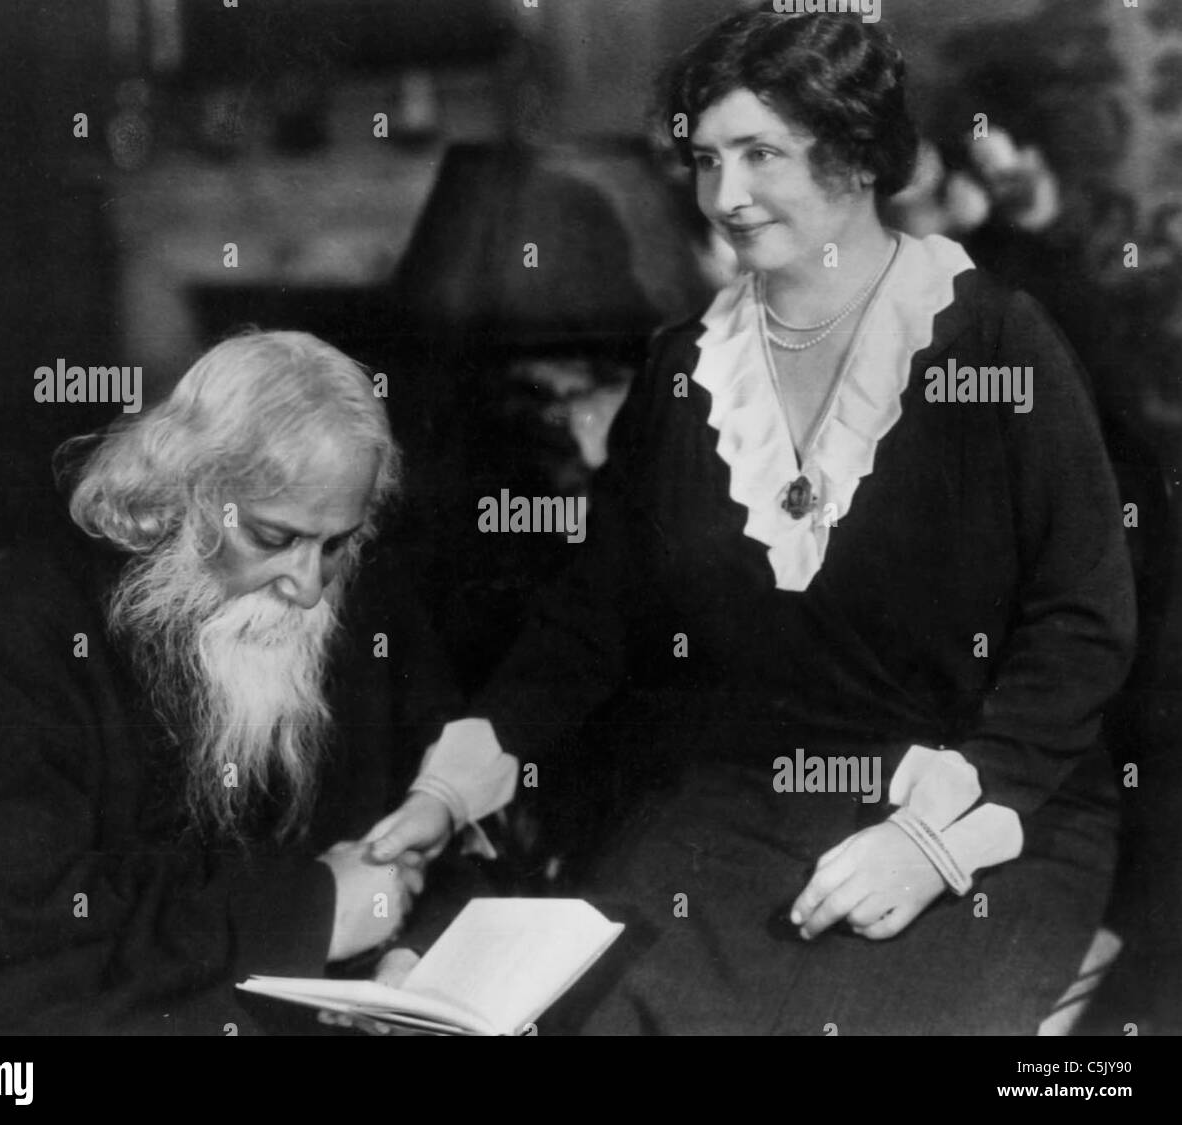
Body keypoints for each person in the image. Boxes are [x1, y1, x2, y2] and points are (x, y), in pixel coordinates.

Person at [366, 10, 1137, 1035]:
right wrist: (448, 794)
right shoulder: (686, 371)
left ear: (857, 156)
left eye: (759, 155)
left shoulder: (998, 340)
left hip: (992, 812)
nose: (724, 197)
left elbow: (1082, 622)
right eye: (704, 160)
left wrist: (937, 846)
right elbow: (588, 623)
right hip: (735, 812)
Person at [0, 330, 495, 1034]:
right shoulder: (17, 637)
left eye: (336, 543)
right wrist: (312, 913)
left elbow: (446, 841)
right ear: (182, 491)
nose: (306, 586)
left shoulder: (360, 613)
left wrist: (410, 958)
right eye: (271, 538)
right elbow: (8, 948)